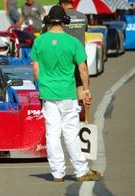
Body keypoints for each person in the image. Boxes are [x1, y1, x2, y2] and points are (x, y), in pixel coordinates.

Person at [30, 5, 100, 182]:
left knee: (52, 133)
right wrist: (86, 90)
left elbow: (35, 68)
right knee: (71, 133)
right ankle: (80, 170)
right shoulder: (73, 42)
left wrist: (43, 84)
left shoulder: (39, 41)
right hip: (68, 92)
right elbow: (83, 68)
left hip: (48, 93)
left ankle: (58, 173)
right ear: (64, 21)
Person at [60, 0, 88, 121]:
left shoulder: (61, 18)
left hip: (65, 56)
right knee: (80, 84)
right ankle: (82, 116)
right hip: (80, 56)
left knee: (65, 84)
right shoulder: (83, 17)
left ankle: (66, 115)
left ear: (62, 4)